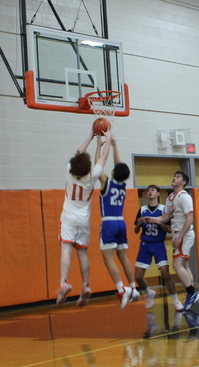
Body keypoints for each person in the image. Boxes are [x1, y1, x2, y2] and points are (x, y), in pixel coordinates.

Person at [57, 129, 112, 307]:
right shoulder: (93, 175)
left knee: (66, 249)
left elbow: (78, 153)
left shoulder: (68, 172)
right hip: (83, 219)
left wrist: (89, 136)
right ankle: (86, 285)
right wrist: (108, 138)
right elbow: (103, 157)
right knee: (82, 253)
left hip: (68, 218)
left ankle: (64, 282)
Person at [143, 170, 199, 311]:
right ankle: (192, 292)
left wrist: (180, 235)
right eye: (174, 176)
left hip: (184, 234)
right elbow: (166, 217)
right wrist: (154, 219)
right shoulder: (170, 197)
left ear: (183, 182)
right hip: (177, 234)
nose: (174, 178)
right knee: (184, 266)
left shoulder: (184, 197)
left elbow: (190, 218)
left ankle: (192, 293)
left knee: (176, 265)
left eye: (178, 177)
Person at [96, 131, 141, 309]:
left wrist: (99, 146)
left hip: (108, 223)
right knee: (124, 258)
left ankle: (121, 289)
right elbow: (119, 166)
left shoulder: (107, 182)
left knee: (108, 260)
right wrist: (114, 144)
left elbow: (97, 166)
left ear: (113, 172)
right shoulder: (122, 184)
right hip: (121, 223)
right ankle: (133, 288)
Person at [134, 185, 178, 309]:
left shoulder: (164, 209)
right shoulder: (142, 209)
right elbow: (136, 231)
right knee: (137, 276)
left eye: (153, 190)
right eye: (148, 190)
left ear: (158, 194)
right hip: (145, 244)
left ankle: (175, 300)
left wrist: (159, 222)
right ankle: (148, 293)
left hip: (158, 244)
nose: (150, 192)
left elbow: (169, 230)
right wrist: (139, 223)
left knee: (165, 273)